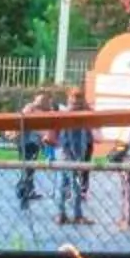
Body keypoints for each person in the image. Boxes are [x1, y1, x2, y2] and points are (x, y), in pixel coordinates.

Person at [55, 86, 94, 224]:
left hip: (76, 152)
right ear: (69, 98)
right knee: (68, 184)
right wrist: (71, 154)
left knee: (70, 184)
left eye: (80, 97)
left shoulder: (83, 113)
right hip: (67, 153)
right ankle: (67, 214)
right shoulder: (67, 113)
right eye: (74, 97)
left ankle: (66, 214)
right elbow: (66, 138)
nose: (77, 100)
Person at [14, 87, 58, 208]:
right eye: (42, 98)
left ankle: (28, 189)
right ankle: (23, 190)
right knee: (27, 167)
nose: (44, 101)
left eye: (46, 99)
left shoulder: (47, 111)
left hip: (35, 142)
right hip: (27, 141)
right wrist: (14, 132)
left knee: (30, 167)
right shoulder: (31, 107)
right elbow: (21, 118)